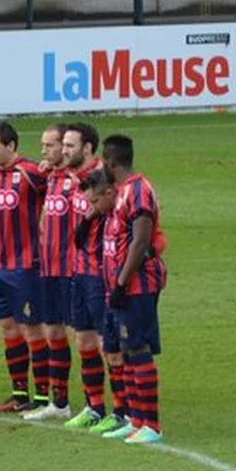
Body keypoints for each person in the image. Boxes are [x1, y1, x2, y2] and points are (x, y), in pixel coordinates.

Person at [85, 135, 168, 444]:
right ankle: (136, 420)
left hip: (137, 285)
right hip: (120, 285)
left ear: (110, 162)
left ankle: (152, 425)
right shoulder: (121, 191)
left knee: (137, 349)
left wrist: (121, 282)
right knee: (126, 352)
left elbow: (141, 240)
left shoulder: (138, 191)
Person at [58, 123, 124, 432]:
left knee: (106, 344)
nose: (63, 150)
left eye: (70, 145)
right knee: (83, 340)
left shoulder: (103, 179)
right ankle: (94, 406)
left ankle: (121, 410)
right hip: (77, 272)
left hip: (99, 275)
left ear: (87, 148)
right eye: (63, 145)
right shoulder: (70, 178)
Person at [0, 121, 50, 413]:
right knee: (8, 328)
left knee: (32, 330)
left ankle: (46, 398)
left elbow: (61, 190)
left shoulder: (32, 172)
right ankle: (19, 394)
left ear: (11, 146)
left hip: (26, 266)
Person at [25, 123, 75, 422]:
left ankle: (104, 408)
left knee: (87, 338)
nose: (44, 151)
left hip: (75, 270)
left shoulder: (82, 179)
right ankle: (60, 402)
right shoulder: (52, 177)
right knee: (53, 332)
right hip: (48, 268)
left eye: (51, 145)